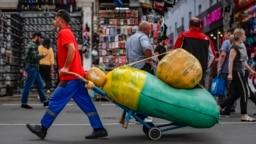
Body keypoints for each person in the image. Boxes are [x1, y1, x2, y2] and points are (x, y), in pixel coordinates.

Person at [26, 9, 108, 140]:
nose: (54, 20)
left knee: (54, 100)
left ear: (61, 21)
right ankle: (99, 128)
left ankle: (43, 128)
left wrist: (65, 67)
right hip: (76, 76)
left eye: (56, 18)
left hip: (70, 77)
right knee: (86, 103)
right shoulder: (67, 32)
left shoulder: (64, 32)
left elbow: (72, 49)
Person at [219, 28, 256, 122]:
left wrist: (251, 70)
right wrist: (230, 74)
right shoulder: (234, 47)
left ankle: (220, 106)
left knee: (235, 94)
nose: (245, 36)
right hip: (237, 72)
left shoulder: (240, 47)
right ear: (239, 36)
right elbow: (230, 61)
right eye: (243, 35)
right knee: (244, 92)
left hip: (241, 72)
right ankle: (244, 115)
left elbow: (243, 61)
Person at [125, 21, 157, 123]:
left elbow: (127, 55)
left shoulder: (130, 39)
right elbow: (147, 47)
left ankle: (139, 115)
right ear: (145, 29)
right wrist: (148, 60)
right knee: (147, 92)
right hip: (143, 67)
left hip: (133, 68)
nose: (150, 31)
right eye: (149, 29)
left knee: (138, 93)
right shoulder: (143, 37)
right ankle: (144, 115)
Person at [173, 17, 216, 87]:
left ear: (189, 25)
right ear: (200, 26)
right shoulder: (206, 38)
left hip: (185, 70)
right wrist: (205, 67)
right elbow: (213, 56)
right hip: (200, 71)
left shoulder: (183, 36)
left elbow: (175, 52)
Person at [21, 32, 49, 109]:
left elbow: (26, 58)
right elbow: (34, 57)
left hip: (34, 68)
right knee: (28, 85)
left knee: (40, 84)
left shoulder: (31, 45)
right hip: (32, 68)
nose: (40, 40)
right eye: (40, 38)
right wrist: (43, 55)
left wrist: (24, 68)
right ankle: (24, 103)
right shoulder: (32, 45)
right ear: (36, 37)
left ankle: (45, 101)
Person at [217, 28, 235, 106]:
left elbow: (223, 55)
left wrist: (219, 66)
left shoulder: (226, 42)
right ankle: (232, 105)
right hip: (235, 69)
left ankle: (223, 104)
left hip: (226, 69)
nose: (226, 36)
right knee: (232, 88)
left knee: (223, 87)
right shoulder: (239, 43)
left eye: (228, 35)